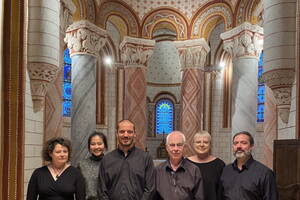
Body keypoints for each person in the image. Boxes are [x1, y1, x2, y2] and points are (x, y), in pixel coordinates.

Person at [97, 119, 155, 200]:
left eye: (130, 132)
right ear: (116, 134)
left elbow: (150, 188)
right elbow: (102, 191)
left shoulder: (145, 158)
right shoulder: (106, 160)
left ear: (135, 134)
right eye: (122, 131)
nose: (126, 135)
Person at [220, 131, 278, 200]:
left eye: (243, 143)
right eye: (236, 143)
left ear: (251, 146)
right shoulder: (226, 170)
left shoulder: (265, 173)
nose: (238, 146)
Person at [155, 131, 204, 200]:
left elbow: (199, 197)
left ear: (184, 147)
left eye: (179, 145)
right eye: (172, 145)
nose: (175, 149)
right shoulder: (158, 171)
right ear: (167, 148)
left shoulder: (194, 170)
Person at [187, 131, 225, 200]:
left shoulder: (219, 164)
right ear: (193, 144)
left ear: (210, 145)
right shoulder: (185, 164)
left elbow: (222, 191)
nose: (201, 145)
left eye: (205, 142)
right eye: (198, 142)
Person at [78, 131, 108, 200]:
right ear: (89, 147)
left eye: (99, 144)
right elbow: (79, 190)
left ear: (105, 145)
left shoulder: (111, 164)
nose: (96, 147)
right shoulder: (82, 165)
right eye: (93, 144)